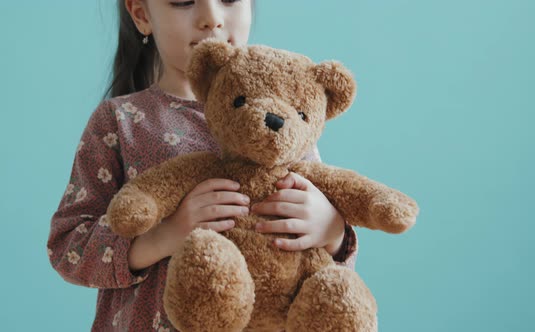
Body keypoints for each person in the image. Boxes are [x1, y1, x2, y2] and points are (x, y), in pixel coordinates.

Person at [47, 0, 358, 331]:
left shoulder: (291, 125)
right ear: (141, 14)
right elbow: (68, 246)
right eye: (183, 2)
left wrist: (333, 231)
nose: (211, 18)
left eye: (228, 0)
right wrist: (163, 237)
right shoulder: (119, 122)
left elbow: (327, 264)